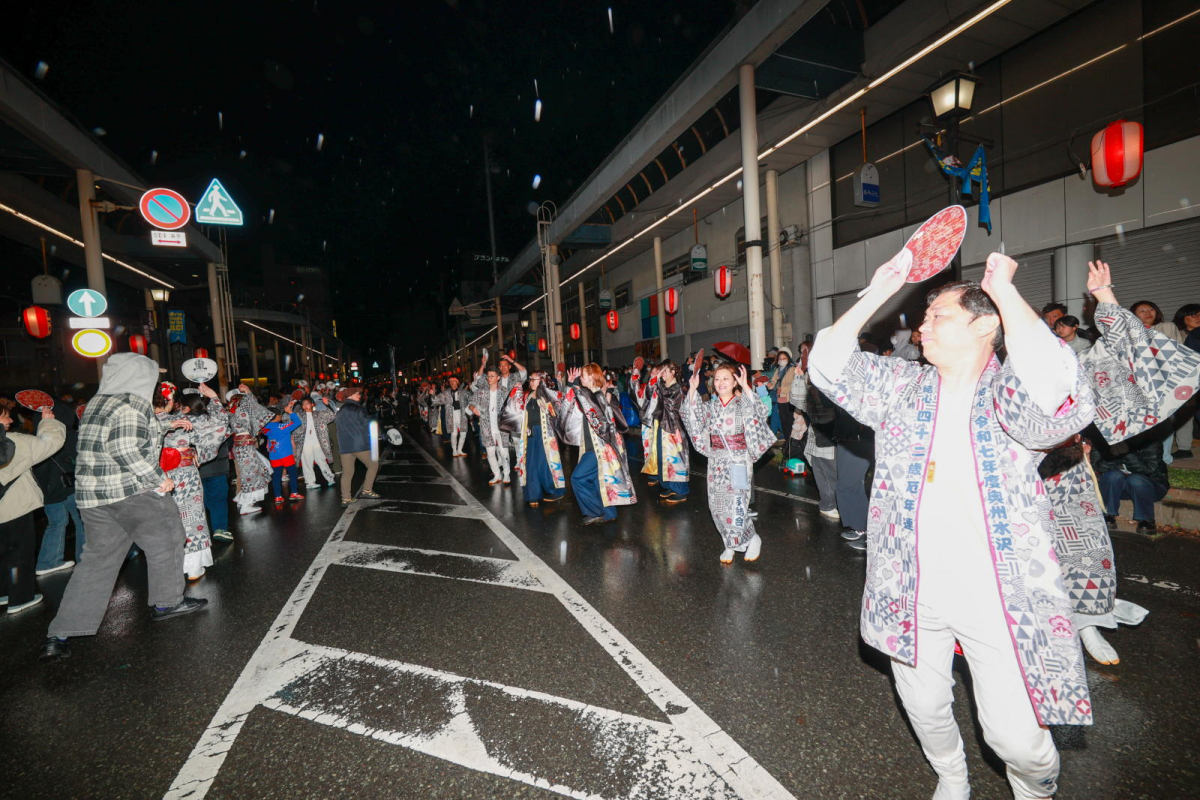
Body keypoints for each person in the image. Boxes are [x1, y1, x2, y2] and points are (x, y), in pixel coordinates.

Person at [810, 251, 1096, 800]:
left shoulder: (1010, 394)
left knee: (1017, 740)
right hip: (910, 584)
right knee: (922, 704)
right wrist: (879, 288)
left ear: (985, 324)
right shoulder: (901, 388)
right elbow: (826, 362)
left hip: (998, 591)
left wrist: (1005, 293)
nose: (921, 327)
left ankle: (1036, 788)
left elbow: (1060, 384)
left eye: (937, 314)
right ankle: (951, 774)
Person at [42, 354, 207, 661]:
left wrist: (166, 425)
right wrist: (158, 479)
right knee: (169, 536)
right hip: (130, 491)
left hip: (93, 498)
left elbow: (120, 435)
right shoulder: (134, 402)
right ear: (139, 375)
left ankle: (60, 633)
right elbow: (124, 447)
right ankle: (167, 603)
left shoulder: (96, 403)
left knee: (96, 562)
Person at [681, 361, 773, 562]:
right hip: (716, 461)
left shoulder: (742, 403)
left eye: (726, 379)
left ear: (734, 382)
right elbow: (691, 416)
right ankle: (730, 544)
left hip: (738, 460)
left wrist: (747, 386)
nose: (721, 382)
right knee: (717, 505)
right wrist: (693, 389)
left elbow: (762, 412)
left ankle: (753, 538)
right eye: (717, 379)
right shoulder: (710, 406)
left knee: (737, 503)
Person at [155, 383, 231, 579]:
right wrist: (213, 397)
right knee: (190, 517)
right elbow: (221, 423)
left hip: (153, 476)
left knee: (160, 521)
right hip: (183, 474)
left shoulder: (140, 421)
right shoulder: (180, 421)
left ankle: (166, 568)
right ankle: (192, 567)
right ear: (170, 400)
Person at [1, 404, 66, 614]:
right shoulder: (12, 442)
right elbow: (50, 444)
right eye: (5, 417)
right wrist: (48, 422)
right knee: (19, 553)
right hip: (15, 506)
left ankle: (4, 593)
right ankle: (20, 598)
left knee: (3, 553)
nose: (10, 421)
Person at [559, 364, 636, 524]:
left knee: (577, 478)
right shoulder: (590, 395)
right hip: (590, 446)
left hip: (600, 448)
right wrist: (569, 386)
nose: (581, 378)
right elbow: (567, 407)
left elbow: (594, 408)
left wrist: (573, 386)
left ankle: (594, 511)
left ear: (593, 377)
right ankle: (609, 512)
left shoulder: (597, 396)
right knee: (598, 480)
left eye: (584, 375)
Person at [33, 399, 85, 577]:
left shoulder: (37, 437)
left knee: (56, 523)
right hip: (69, 486)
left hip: (47, 489)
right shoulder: (69, 435)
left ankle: (48, 561)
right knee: (82, 521)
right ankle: (85, 560)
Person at [500, 372, 566, 507]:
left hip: (545, 434)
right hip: (529, 433)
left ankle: (556, 490)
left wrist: (560, 384)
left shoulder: (548, 395)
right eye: (530, 379)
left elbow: (562, 402)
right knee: (530, 464)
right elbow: (514, 409)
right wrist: (516, 391)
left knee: (544, 463)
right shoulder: (526, 395)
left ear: (541, 381)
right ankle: (533, 495)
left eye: (533, 379)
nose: (530, 381)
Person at [630, 359, 690, 503]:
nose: (662, 374)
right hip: (662, 426)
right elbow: (648, 393)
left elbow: (668, 402)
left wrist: (656, 381)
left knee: (675, 459)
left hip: (673, 428)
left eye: (665, 371)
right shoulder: (662, 385)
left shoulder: (676, 388)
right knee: (663, 458)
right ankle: (669, 485)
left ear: (673, 372)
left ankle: (681, 490)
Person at [226, 385, 274, 516]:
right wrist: (248, 392)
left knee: (262, 467)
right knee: (252, 476)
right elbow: (255, 408)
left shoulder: (232, 412)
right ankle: (247, 504)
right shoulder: (241, 410)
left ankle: (242, 498)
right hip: (246, 446)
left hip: (241, 446)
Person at [335, 388, 380, 506]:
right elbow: (367, 425)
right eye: (357, 394)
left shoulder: (340, 411)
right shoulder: (358, 409)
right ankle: (367, 490)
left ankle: (346, 499)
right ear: (350, 396)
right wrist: (382, 434)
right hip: (359, 445)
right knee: (373, 464)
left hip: (345, 446)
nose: (359, 395)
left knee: (347, 472)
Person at [470, 365, 513, 485]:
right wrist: (473, 407)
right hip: (486, 427)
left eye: (492, 376)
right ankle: (497, 474)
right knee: (490, 452)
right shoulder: (481, 391)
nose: (489, 378)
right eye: (488, 376)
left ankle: (507, 473)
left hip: (502, 427)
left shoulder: (505, 391)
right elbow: (471, 402)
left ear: (498, 377)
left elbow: (512, 407)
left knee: (504, 452)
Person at [291, 395, 336, 489]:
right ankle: (310, 483)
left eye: (307, 404)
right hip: (304, 443)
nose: (305, 406)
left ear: (312, 404)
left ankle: (330, 478)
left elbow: (331, 416)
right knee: (307, 462)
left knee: (322, 461)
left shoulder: (319, 414)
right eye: (303, 404)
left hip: (318, 442)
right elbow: (286, 418)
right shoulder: (299, 416)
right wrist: (291, 407)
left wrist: (327, 405)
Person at [263, 401, 303, 506]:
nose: (281, 416)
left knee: (276, 476)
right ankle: (294, 493)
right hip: (286, 454)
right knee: (293, 473)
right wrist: (290, 412)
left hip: (274, 455)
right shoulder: (282, 427)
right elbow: (297, 422)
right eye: (280, 415)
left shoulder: (265, 428)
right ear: (276, 416)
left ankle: (278, 496)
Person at [433, 376, 472, 457]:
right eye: (451, 381)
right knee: (454, 434)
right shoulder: (446, 393)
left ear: (457, 382)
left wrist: (471, 388)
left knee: (463, 434)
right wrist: (432, 394)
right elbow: (436, 400)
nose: (452, 383)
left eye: (454, 381)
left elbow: (472, 399)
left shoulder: (464, 392)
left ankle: (460, 449)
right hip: (451, 415)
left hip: (462, 415)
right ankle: (454, 450)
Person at [768, 348, 798, 451]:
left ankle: (791, 443)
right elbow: (773, 381)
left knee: (789, 421)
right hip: (781, 398)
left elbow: (795, 384)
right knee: (783, 420)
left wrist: (783, 388)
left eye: (784, 358)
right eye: (780, 358)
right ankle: (787, 441)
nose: (782, 360)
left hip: (789, 398)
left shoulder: (792, 369)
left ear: (788, 359)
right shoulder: (778, 370)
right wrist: (770, 385)